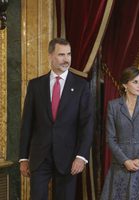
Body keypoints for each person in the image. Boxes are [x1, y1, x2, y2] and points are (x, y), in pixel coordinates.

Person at [19, 38, 93, 200]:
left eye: (69, 54)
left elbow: (87, 125)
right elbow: (27, 123)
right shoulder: (35, 85)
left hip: (68, 158)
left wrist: (81, 156)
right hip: (40, 157)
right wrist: (23, 157)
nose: (66, 59)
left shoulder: (81, 86)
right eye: (61, 55)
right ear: (50, 56)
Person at [100, 67, 139, 200]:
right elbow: (110, 138)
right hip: (121, 165)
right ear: (125, 85)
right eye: (135, 82)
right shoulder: (113, 106)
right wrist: (125, 160)